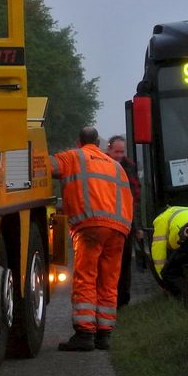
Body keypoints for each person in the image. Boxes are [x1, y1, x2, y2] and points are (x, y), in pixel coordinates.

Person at [51, 127, 133, 351]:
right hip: (119, 228)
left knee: (86, 277)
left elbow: (44, 166)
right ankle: (104, 334)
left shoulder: (73, 157)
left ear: (79, 142)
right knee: (108, 280)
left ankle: (85, 333)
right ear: (98, 142)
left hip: (91, 226)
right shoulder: (115, 166)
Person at [105, 135, 143, 306]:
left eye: (122, 151)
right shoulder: (102, 164)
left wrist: (136, 226)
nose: (119, 155)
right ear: (109, 149)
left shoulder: (130, 167)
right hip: (107, 220)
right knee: (108, 263)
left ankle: (122, 299)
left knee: (125, 261)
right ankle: (108, 297)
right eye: (116, 151)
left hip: (125, 221)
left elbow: (135, 197)